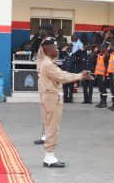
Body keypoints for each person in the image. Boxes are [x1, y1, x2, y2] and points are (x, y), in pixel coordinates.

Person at [37, 37, 91, 168]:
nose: (57, 50)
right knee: (52, 127)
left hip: (50, 96)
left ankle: (49, 155)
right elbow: (62, 76)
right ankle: (49, 156)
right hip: (52, 98)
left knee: (51, 125)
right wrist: (79, 76)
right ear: (47, 49)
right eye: (54, 47)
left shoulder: (46, 62)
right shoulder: (48, 64)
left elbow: (61, 73)